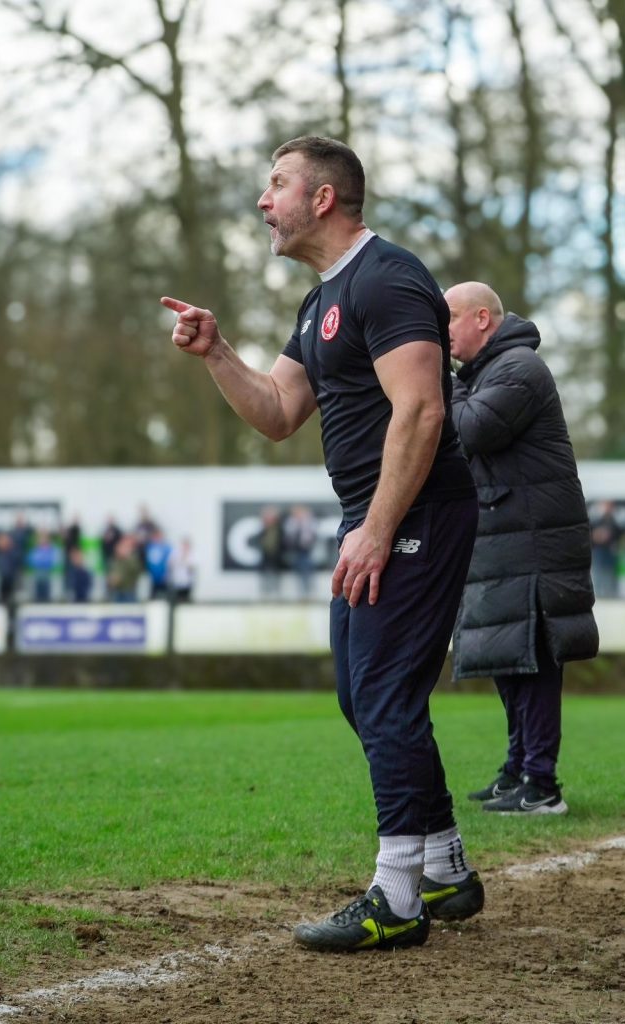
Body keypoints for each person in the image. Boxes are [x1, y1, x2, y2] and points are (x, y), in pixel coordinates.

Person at [161, 135, 481, 953]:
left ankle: (397, 897)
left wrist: (378, 528)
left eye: (277, 184)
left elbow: (422, 411)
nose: (263, 201)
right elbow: (276, 412)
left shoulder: (388, 277)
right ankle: (444, 865)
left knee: (382, 695)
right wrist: (217, 352)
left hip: (413, 515)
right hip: (373, 519)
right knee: (361, 695)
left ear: (323, 197)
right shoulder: (321, 302)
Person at [445, 281, 599, 815]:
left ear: (482, 318)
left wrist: (438, 382)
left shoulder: (520, 368)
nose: (442, 332)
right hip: (507, 541)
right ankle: (517, 769)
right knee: (507, 657)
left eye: (449, 318)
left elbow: (472, 430)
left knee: (532, 661)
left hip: (535, 544)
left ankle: (542, 782)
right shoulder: (485, 374)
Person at [282, 503, 318, 598]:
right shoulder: (291, 522)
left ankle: (308, 590)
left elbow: (311, 535)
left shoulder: (309, 521)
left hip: (306, 549)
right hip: (295, 549)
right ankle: (302, 591)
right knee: (299, 569)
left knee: (307, 567)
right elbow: (289, 534)